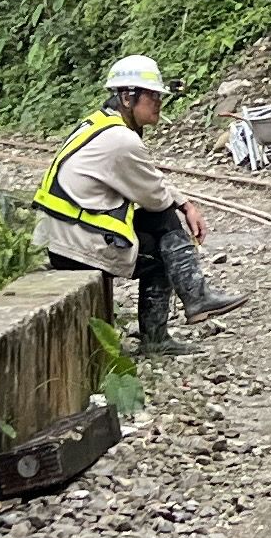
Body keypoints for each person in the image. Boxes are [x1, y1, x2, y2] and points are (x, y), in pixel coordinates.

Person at [33, 55, 247, 347]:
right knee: (162, 249)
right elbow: (157, 198)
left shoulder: (100, 124)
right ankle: (175, 319)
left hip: (67, 234)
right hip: (76, 245)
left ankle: (193, 301)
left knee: (162, 226)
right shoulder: (122, 140)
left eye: (159, 95)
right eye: (151, 95)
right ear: (126, 96)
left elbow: (150, 184)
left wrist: (185, 204)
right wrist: (184, 207)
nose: (158, 102)